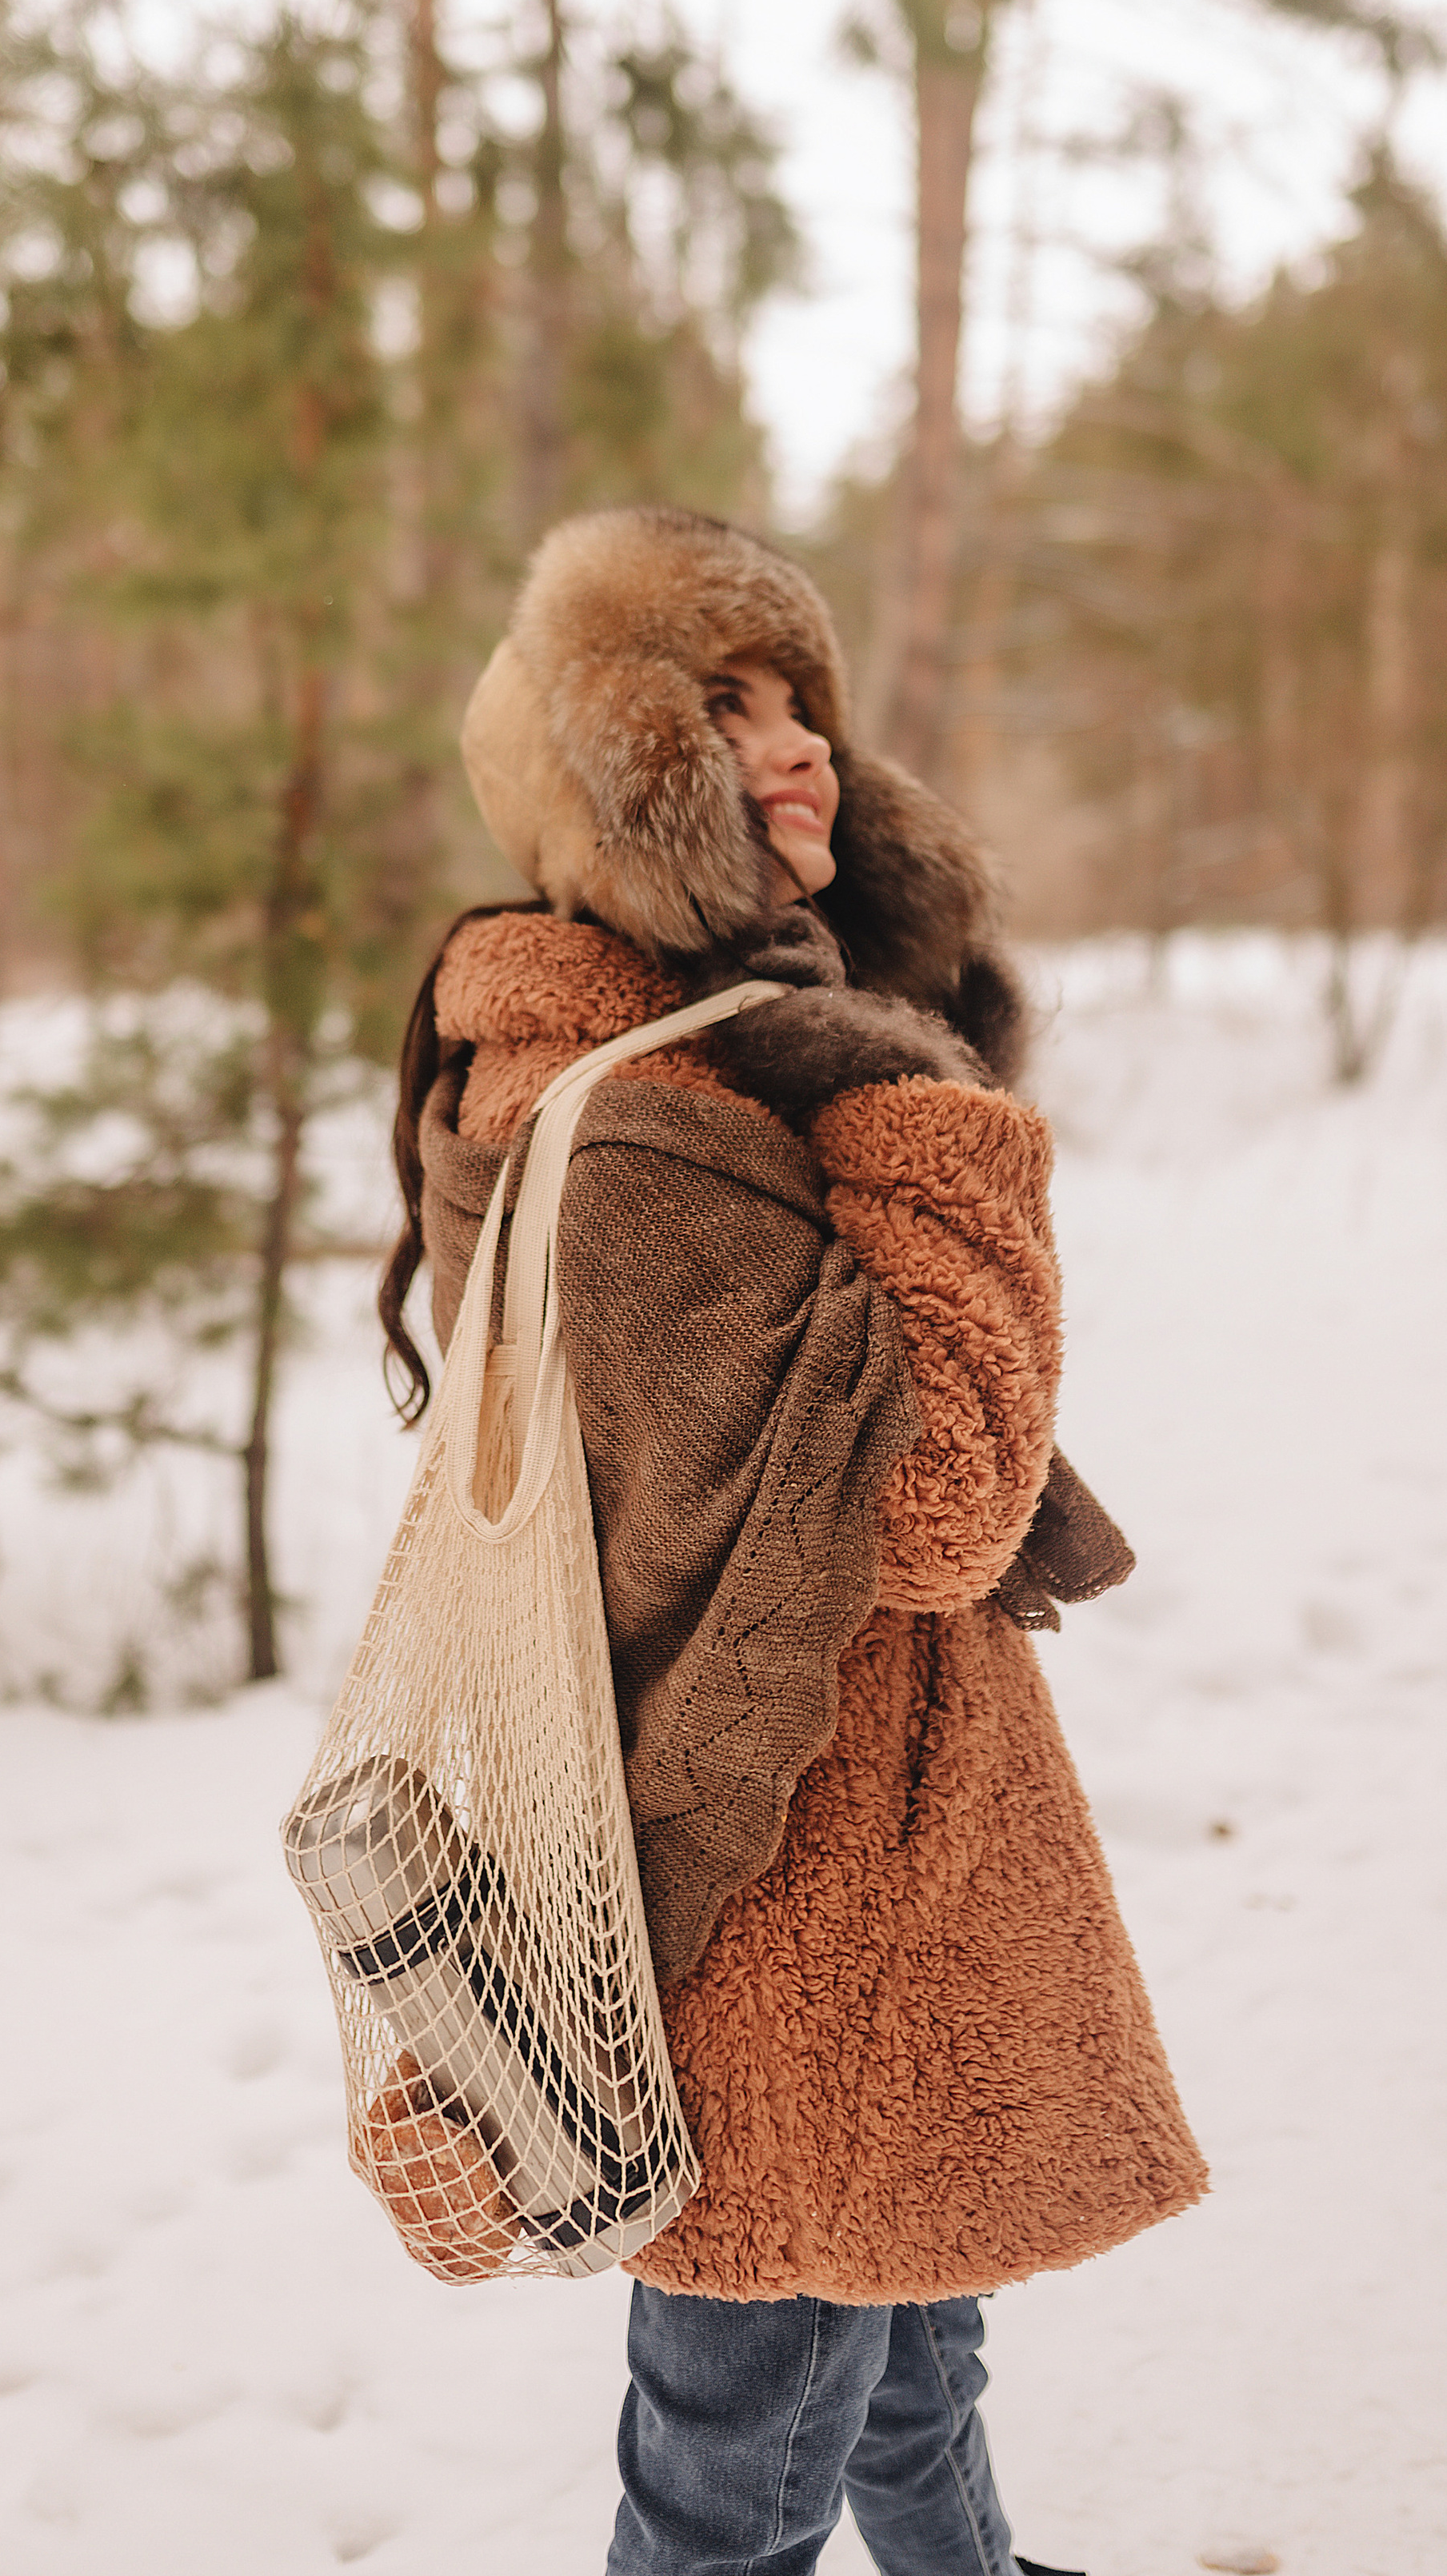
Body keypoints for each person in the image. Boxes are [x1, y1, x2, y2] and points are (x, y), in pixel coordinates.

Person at [374, 506, 1206, 2576]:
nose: (798, 742)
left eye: (800, 698)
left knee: (908, 2328)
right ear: (613, 780)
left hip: (845, 1848)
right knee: (737, 2459)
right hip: (765, 1875)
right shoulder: (628, 1115)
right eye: (718, 708)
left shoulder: (729, 1043)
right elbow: (934, 1505)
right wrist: (938, 1126)